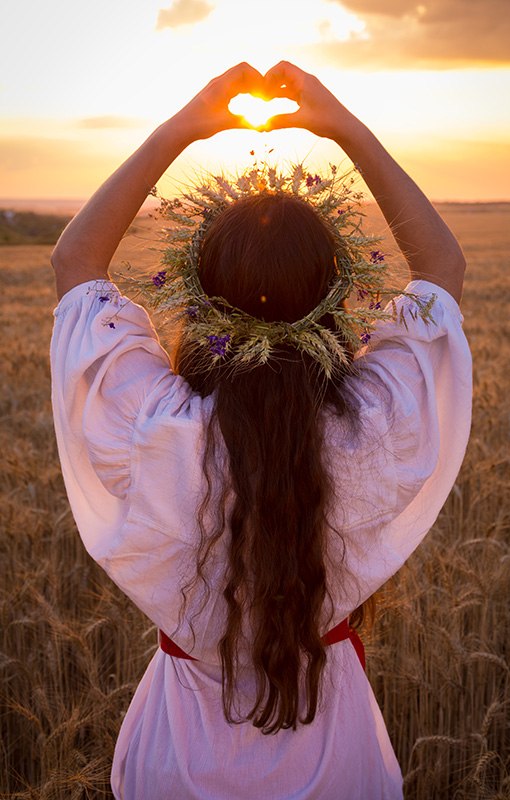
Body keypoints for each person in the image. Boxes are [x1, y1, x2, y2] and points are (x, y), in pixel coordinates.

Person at [50, 62, 472, 799]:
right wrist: (342, 127)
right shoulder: (371, 428)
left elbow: (74, 261)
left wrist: (182, 128)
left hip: (175, 761)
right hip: (336, 758)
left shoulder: (155, 429)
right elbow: (441, 268)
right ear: (333, 300)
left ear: (203, 301)